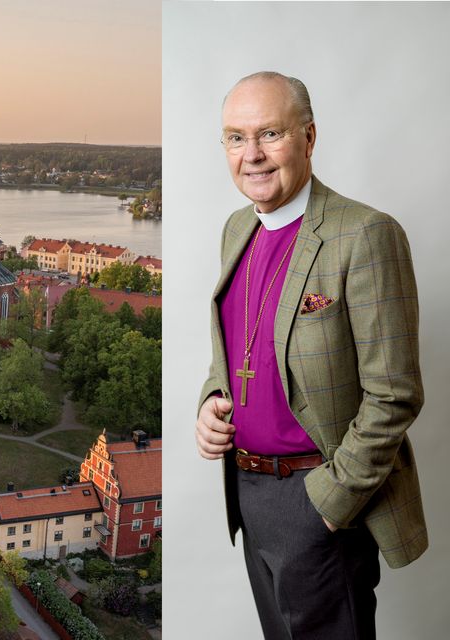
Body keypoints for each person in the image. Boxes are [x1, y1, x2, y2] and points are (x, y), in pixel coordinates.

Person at [194, 71, 427, 639]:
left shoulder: (365, 235)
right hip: (248, 493)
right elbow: (236, 348)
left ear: (309, 136)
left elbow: (394, 394)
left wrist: (326, 505)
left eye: (269, 133)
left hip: (318, 497)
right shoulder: (235, 229)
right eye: (234, 137)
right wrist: (210, 402)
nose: (251, 155)